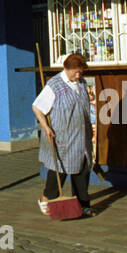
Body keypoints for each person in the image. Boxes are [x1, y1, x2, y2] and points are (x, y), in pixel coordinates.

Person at [32, 52, 94, 217]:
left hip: (81, 136)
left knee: (82, 170)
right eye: (76, 72)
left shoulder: (81, 83)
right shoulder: (54, 85)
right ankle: (46, 197)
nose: (79, 75)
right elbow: (37, 107)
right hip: (62, 136)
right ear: (67, 68)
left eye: (81, 72)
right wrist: (45, 126)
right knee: (59, 170)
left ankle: (83, 206)